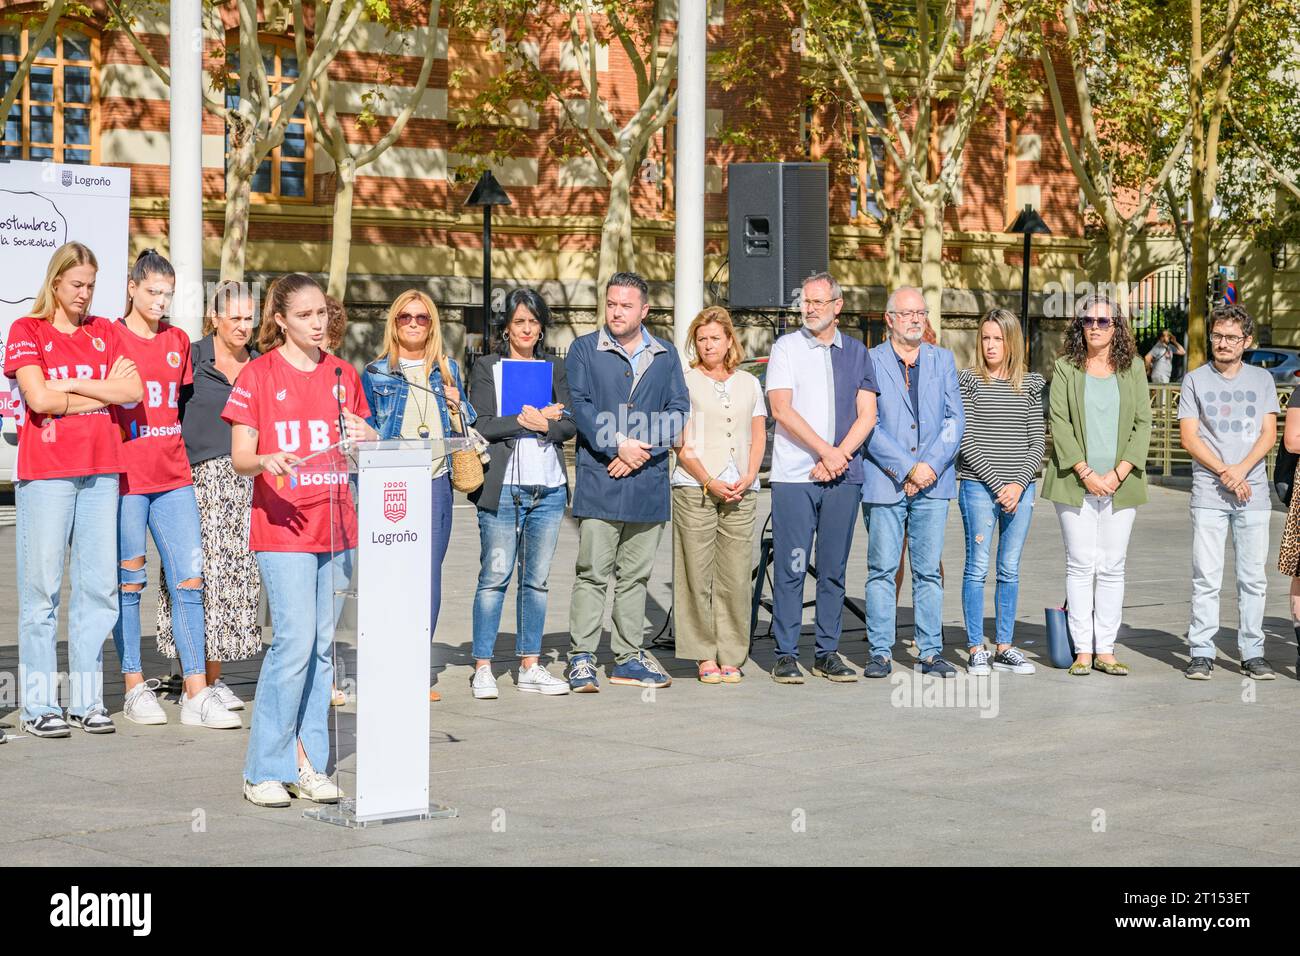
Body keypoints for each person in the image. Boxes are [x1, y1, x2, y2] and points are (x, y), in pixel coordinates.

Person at [226, 272, 376, 808]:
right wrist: (265, 458)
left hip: (338, 527)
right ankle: (263, 767)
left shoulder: (342, 373)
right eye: (306, 315)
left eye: (322, 313)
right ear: (281, 319)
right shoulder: (258, 376)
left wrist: (371, 437)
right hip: (283, 526)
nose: (317, 323)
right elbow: (242, 455)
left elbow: (362, 445)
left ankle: (308, 761)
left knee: (322, 648)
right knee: (293, 643)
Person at [5, 241, 143, 737]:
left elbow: (132, 391)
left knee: (98, 590)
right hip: (46, 474)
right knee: (42, 591)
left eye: (90, 285)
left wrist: (69, 396)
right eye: (76, 284)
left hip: (101, 471)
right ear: (56, 282)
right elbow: (36, 397)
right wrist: (95, 390)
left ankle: (87, 701)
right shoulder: (28, 330)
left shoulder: (105, 331)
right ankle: (39, 704)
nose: (84, 294)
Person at [109, 250, 240, 729]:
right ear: (132, 287)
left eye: (167, 294)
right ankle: (132, 684)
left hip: (174, 477)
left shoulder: (178, 340)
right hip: (125, 479)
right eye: (152, 292)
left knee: (190, 580)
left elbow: (186, 402)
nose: (160, 302)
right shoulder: (109, 336)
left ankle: (195, 691)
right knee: (129, 583)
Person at [564, 271, 690, 691]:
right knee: (592, 572)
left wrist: (641, 448)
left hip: (648, 482)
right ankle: (581, 656)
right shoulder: (584, 349)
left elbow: (678, 411)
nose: (616, 312)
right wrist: (617, 445)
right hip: (601, 477)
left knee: (635, 576)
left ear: (645, 310)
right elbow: (579, 406)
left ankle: (627, 656)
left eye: (625, 305)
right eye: (611, 303)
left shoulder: (666, 354)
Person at [360, 290, 474, 703]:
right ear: (394, 322)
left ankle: (414, 666)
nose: (413, 323)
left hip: (435, 481)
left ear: (432, 325)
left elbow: (465, 428)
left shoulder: (447, 369)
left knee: (428, 577)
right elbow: (364, 429)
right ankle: (385, 663)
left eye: (421, 318)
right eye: (405, 316)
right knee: (389, 575)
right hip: (391, 481)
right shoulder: (375, 373)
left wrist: (459, 406)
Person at [766, 273, 878, 684]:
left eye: (817, 301)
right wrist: (825, 452)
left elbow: (868, 414)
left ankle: (827, 651)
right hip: (796, 477)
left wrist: (839, 456)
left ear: (837, 305)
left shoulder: (857, 352)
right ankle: (785, 653)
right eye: (805, 301)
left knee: (833, 567)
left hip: (843, 477)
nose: (809, 308)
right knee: (792, 567)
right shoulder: (786, 348)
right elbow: (781, 409)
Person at [156, 281, 262, 708]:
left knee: (233, 579)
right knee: (196, 574)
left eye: (248, 318)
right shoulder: (192, 357)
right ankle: (192, 680)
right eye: (234, 317)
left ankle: (212, 680)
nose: (242, 326)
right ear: (214, 317)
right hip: (195, 480)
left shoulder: (259, 365)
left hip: (246, 483)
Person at [466, 288, 575, 698]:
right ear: (506, 327)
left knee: (537, 580)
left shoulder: (553, 368)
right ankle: (482, 665)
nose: (526, 329)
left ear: (541, 327)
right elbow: (482, 424)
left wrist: (550, 424)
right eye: (519, 322)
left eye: (533, 322)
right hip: (504, 486)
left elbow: (570, 422)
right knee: (495, 576)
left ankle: (530, 662)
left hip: (547, 488)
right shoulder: (487, 367)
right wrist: (531, 419)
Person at [1042, 291, 1152, 676]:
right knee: (1080, 564)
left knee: (1112, 566)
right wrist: (1086, 472)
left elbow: (1144, 423)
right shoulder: (1066, 369)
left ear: (1117, 327)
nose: (1095, 328)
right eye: (1088, 321)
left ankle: (1105, 648)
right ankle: (1082, 651)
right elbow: (1059, 423)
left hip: (1122, 483)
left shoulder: (1134, 368)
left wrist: (1118, 473)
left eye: (1103, 321)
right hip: (1074, 483)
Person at [861, 286, 963, 678]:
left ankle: (930, 651)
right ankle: (881, 652)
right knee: (883, 569)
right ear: (889, 319)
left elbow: (956, 421)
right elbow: (868, 424)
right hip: (886, 482)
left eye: (921, 312)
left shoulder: (943, 360)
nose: (916, 319)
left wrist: (929, 468)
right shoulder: (869, 361)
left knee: (928, 572)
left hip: (933, 485)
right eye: (907, 313)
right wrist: (907, 469)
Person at [1179, 305, 1279, 679]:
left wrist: (1240, 471)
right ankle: (1201, 650)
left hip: (1252, 493)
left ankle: (1252, 651)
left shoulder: (1262, 381)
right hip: (1209, 493)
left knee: (1252, 577)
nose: (1223, 343)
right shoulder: (1194, 380)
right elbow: (1189, 437)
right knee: (1206, 575)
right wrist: (1224, 471)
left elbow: (1269, 434)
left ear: (1246, 341)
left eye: (1232, 338)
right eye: (1218, 336)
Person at [672, 307, 767, 684]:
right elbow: (678, 440)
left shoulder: (748, 383)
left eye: (715, 337)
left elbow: (758, 433)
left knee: (735, 575)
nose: (708, 344)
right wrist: (708, 479)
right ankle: (702, 654)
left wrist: (750, 474)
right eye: (701, 338)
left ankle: (732, 652)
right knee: (696, 573)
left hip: (742, 488)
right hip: (695, 485)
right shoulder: (684, 381)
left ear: (730, 340)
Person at [957, 308, 1045, 676]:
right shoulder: (969, 382)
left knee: (1009, 568)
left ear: (1012, 342)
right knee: (977, 567)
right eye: (986, 337)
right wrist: (998, 485)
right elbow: (966, 439)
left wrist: (1019, 483)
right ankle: (977, 646)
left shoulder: (1030, 384)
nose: (991, 345)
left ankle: (1004, 646)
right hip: (979, 487)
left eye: (998, 338)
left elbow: (1037, 440)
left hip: (1020, 490)